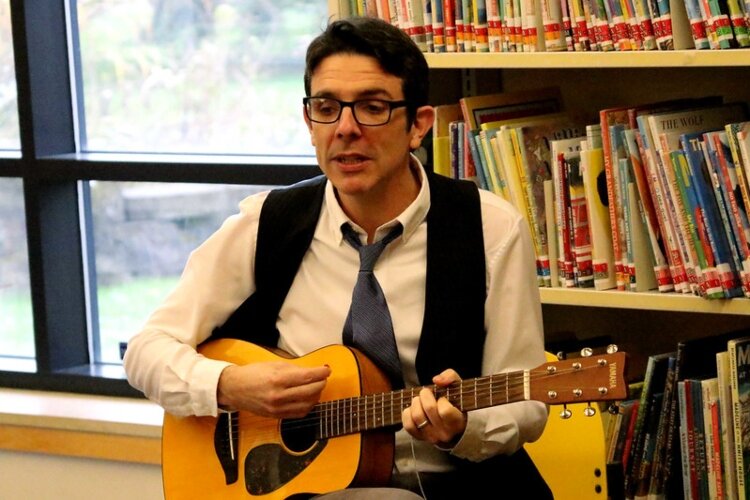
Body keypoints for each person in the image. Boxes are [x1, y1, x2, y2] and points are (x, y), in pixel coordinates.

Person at [124, 16, 551, 499]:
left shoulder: (490, 229)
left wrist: (460, 430)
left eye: (372, 107)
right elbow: (145, 351)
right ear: (309, 123)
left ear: (419, 125)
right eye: (327, 108)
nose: (346, 129)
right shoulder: (266, 222)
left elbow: (526, 399)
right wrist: (228, 386)